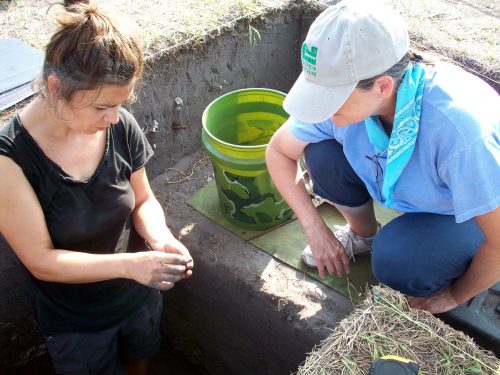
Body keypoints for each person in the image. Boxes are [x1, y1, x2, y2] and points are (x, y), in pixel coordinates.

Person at [266, 0, 499, 314]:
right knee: (320, 152)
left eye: (330, 99)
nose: (321, 110)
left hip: (466, 212)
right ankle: (363, 235)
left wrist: (456, 295)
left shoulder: (461, 133)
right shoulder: (351, 98)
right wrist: (314, 227)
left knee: (397, 260)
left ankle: (449, 261)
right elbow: (279, 151)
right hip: (417, 192)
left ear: (383, 86)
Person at [0, 2, 193, 374]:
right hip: (78, 320)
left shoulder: (118, 125)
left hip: (137, 292)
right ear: (56, 88)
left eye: (122, 104)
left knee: (141, 356)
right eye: (103, 107)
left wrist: (160, 238)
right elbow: (41, 260)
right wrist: (131, 265)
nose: (115, 118)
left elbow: (143, 200)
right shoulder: (11, 161)